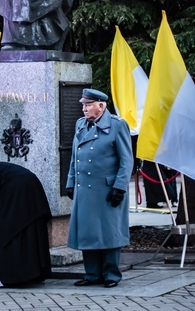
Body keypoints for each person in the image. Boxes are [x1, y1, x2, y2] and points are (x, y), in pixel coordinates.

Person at [66, 88, 133, 288]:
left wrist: (120, 187)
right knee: (88, 232)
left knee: (109, 232)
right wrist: (70, 182)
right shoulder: (80, 124)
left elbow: (126, 160)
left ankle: (111, 275)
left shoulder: (117, 125)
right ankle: (92, 274)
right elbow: (74, 157)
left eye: (88, 105)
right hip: (85, 189)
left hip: (107, 189)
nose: (84, 109)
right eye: (83, 105)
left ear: (101, 106)